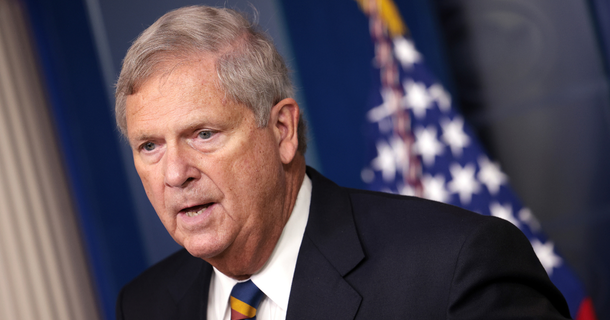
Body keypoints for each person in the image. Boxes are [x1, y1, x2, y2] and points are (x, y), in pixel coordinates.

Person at [114, 5, 571, 320]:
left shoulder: (454, 267)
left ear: (282, 131)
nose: (175, 174)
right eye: (149, 146)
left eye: (204, 134)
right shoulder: (145, 304)